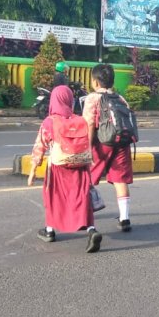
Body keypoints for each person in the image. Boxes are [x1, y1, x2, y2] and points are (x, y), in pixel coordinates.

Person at [27, 85, 102, 253]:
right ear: (70, 100)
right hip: (80, 167)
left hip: (58, 168)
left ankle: (49, 230)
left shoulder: (50, 122)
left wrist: (33, 169)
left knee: (54, 198)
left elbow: (40, 146)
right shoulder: (80, 120)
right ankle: (91, 230)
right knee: (81, 199)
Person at [83, 63, 134, 232]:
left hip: (102, 143)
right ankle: (125, 218)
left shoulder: (92, 98)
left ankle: (84, 215)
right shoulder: (120, 98)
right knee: (120, 179)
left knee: (87, 178)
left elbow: (89, 125)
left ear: (95, 82)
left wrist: (87, 148)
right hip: (122, 143)